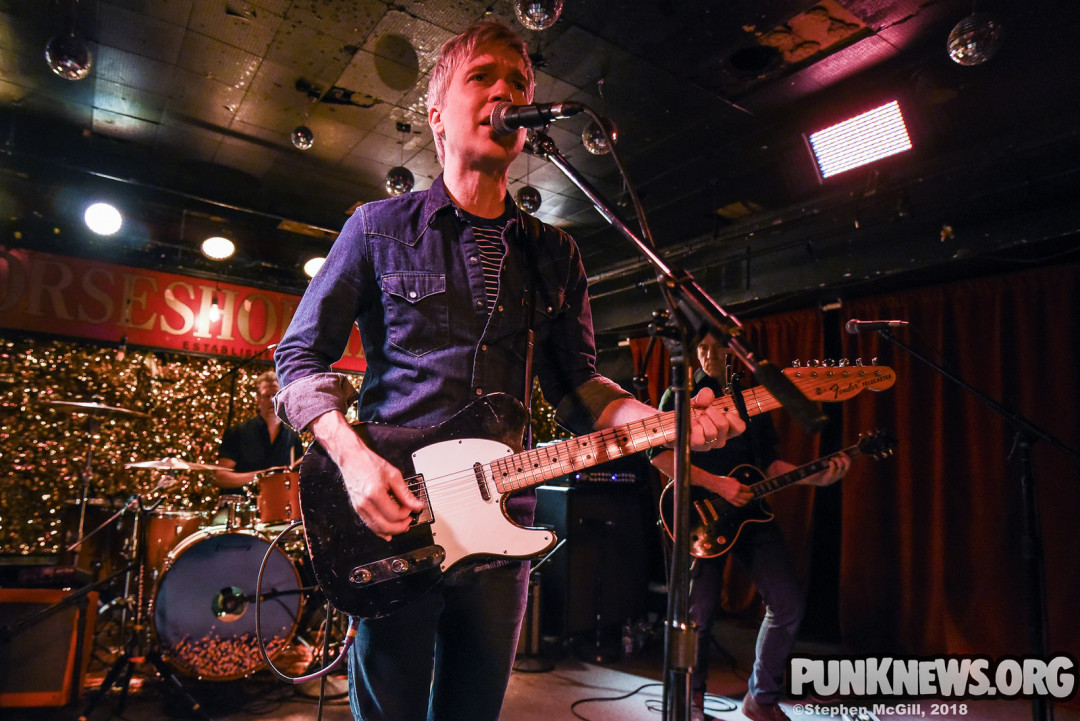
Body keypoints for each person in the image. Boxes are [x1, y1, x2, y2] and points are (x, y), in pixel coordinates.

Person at [272, 19, 745, 721]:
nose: (506, 92)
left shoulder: (556, 255)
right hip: (394, 519)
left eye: (519, 83)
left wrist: (662, 426)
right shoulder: (376, 228)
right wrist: (352, 458)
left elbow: (579, 386)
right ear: (436, 113)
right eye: (483, 77)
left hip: (502, 524)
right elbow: (295, 358)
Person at [650, 334, 849, 721]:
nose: (707, 355)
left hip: (751, 513)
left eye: (715, 347)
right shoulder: (683, 393)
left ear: (733, 351)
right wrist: (717, 483)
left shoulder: (754, 397)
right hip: (698, 514)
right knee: (699, 612)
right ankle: (691, 701)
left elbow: (771, 465)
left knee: (788, 603)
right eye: (702, 348)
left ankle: (761, 699)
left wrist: (817, 478)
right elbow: (660, 457)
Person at [215, 369, 304, 490]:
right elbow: (221, 478)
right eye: (267, 396)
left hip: (277, 505)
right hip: (242, 504)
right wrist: (262, 477)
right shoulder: (237, 432)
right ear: (257, 399)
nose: (272, 400)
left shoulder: (293, 439)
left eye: (276, 395)